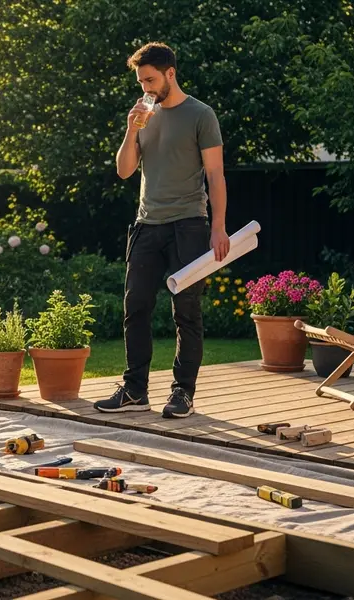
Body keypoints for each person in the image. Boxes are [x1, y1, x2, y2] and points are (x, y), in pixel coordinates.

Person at [94, 42, 230, 418]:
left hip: (189, 224)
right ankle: (135, 390)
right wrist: (130, 130)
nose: (146, 89)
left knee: (186, 310)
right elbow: (124, 170)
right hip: (146, 224)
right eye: (141, 82)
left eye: (151, 80)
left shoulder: (201, 114)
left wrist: (218, 228)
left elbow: (215, 175)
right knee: (135, 305)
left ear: (171, 73)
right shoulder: (143, 116)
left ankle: (183, 392)